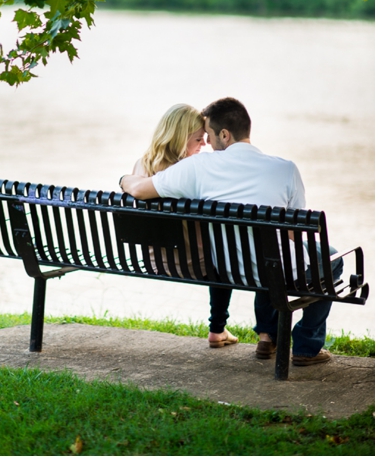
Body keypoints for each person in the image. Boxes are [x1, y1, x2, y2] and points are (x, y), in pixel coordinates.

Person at [121, 97, 341, 367]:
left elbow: (142, 189)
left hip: (227, 268)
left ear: (224, 135)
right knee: (329, 259)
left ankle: (267, 335)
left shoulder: (197, 167)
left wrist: (123, 179)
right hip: (267, 270)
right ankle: (307, 346)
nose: (208, 146)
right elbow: (293, 235)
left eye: (209, 138)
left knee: (268, 253)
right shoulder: (286, 169)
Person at [120, 103, 238, 349]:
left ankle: (219, 329)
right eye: (198, 139)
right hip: (195, 265)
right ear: (181, 138)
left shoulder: (141, 165)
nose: (204, 144)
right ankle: (217, 329)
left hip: (153, 262)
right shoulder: (190, 171)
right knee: (227, 258)